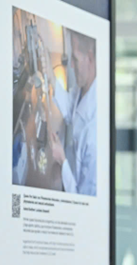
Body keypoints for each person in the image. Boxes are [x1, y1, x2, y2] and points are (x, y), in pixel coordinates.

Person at [50, 29, 97, 197]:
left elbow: (82, 198)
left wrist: (62, 160)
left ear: (90, 59)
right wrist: (50, 76)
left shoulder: (94, 133)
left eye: (75, 59)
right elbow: (71, 109)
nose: (71, 65)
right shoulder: (83, 86)